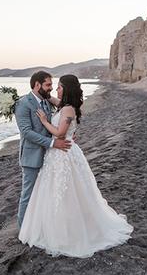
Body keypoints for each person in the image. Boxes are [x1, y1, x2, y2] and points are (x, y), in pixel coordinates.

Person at [18, 74, 133, 258]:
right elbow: (47, 99)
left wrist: (45, 122)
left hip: (63, 152)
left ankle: (68, 230)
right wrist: (34, 95)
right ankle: (46, 226)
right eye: (51, 85)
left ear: (67, 89)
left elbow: (61, 134)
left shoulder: (68, 109)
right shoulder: (61, 105)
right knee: (50, 191)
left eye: (59, 86)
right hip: (55, 155)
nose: (55, 89)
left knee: (67, 192)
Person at [14, 71, 72, 229]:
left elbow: (61, 119)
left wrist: (67, 134)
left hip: (49, 157)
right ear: (37, 84)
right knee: (28, 194)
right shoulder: (23, 103)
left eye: (52, 85)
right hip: (32, 156)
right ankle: (23, 229)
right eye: (48, 85)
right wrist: (53, 143)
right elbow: (26, 132)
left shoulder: (47, 102)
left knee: (43, 194)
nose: (51, 88)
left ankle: (39, 226)